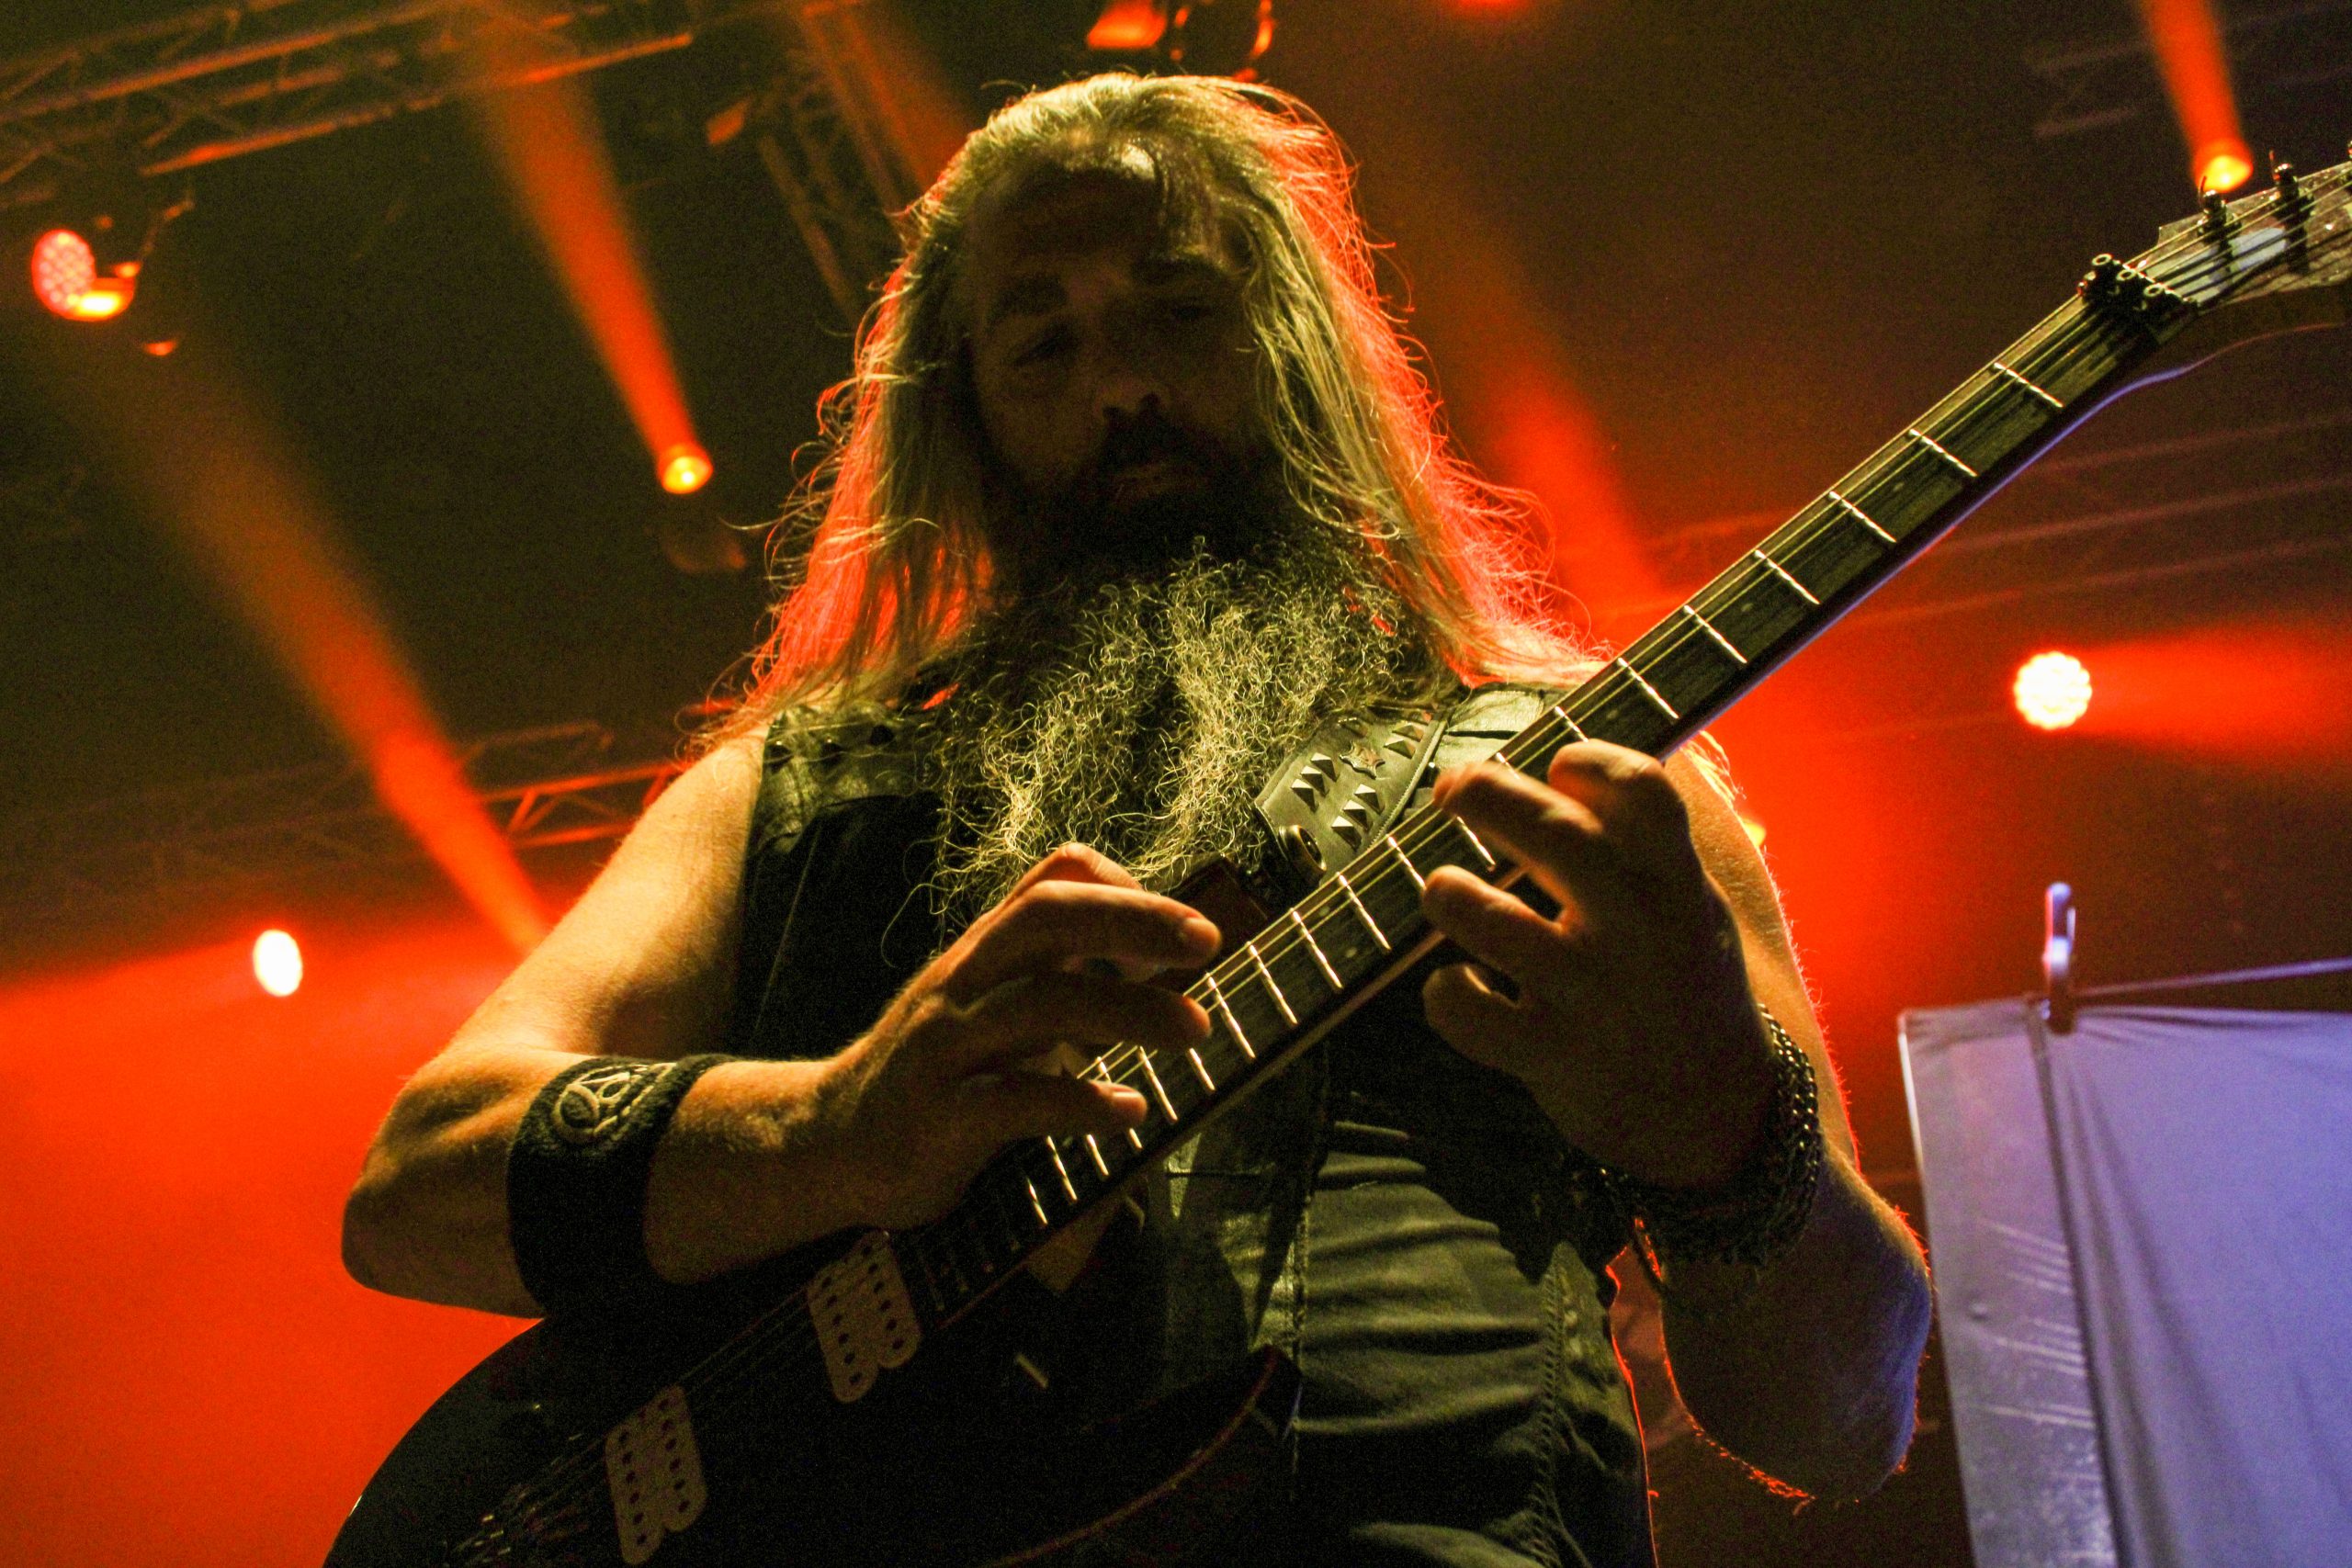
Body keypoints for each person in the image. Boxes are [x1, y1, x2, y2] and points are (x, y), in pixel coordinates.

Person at [343, 73, 1931, 1566]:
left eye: (1181, 312)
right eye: (1043, 348)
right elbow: (419, 1184)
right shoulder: (802, 785)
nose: (1123, 391)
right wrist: (830, 1130)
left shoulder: (1565, 778)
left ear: (1294, 346)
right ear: (967, 421)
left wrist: (1732, 1141)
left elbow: (1847, 1425)